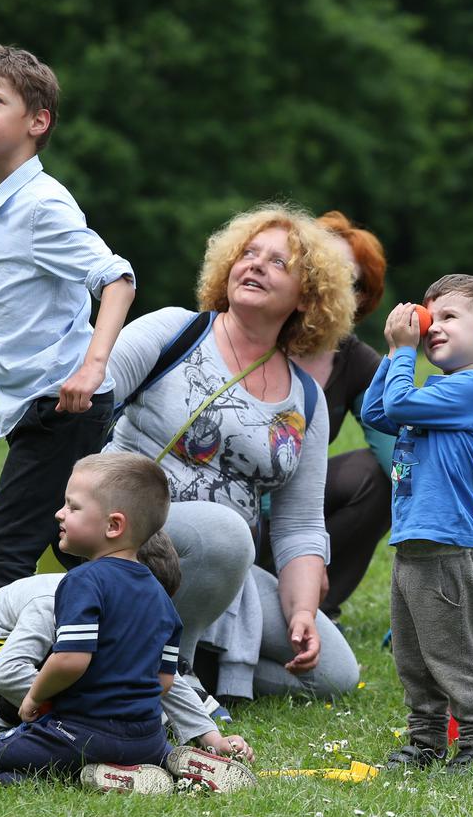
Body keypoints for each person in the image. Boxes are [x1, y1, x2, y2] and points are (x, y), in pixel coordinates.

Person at [104, 204, 359, 705]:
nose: (256, 264)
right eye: (248, 253)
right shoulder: (175, 331)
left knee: (332, 674)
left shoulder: (306, 399)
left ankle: (177, 663)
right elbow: (89, 399)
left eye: (278, 262)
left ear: (308, 298)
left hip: (225, 568)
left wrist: (303, 611)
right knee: (225, 533)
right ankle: (174, 680)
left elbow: (300, 526)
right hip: (126, 538)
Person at [0, 45, 136, 595]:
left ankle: (9, 672)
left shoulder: (44, 205)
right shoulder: (2, 199)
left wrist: (92, 369)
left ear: (37, 122)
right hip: (41, 407)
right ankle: (132, 648)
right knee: (77, 548)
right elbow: (7, 256)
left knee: (6, 545)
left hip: (64, 406)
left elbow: (117, 279)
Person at [361, 274, 473, 773]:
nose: (433, 327)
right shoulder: (436, 392)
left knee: (452, 656)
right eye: (431, 317)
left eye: (448, 316)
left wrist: (404, 353)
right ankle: (425, 739)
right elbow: (378, 412)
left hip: (449, 549)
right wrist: (392, 354)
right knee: (413, 658)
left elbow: (400, 405)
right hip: (415, 546)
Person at [0, 532, 253, 761]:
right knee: (73, 657)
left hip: (23, 681)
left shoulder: (124, 610)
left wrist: (212, 738)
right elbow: (6, 674)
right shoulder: (53, 601)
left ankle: (29, 732)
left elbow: (164, 675)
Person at [0, 454, 183, 787]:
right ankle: (161, 764)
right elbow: (164, 681)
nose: (60, 513)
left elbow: (71, 660)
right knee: (143, 748)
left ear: (113, 526)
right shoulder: (159, 594)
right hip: (147, 737)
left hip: (84, 732)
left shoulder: (84, 581)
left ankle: (83, 777)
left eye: (73, 508)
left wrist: (34, 697)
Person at [276, 210, 394, 620]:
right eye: (325, 267)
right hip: (226, 505)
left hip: (296, 512)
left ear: (361, 298)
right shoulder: (253, 330)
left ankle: (316, 606)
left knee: (384, 476)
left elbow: (398, 453)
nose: (333, 283)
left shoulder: (357, 362)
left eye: (350, 278)